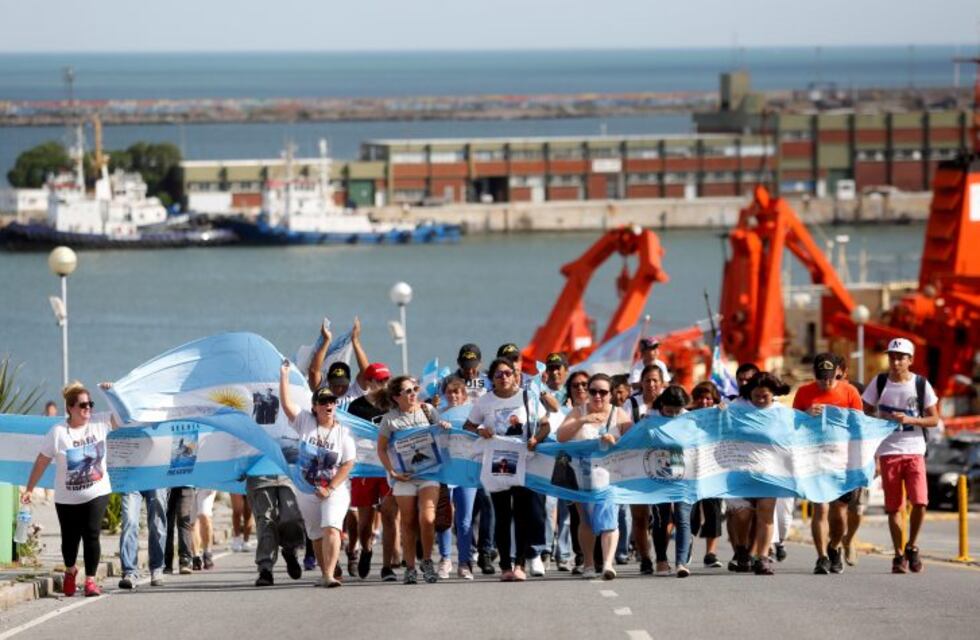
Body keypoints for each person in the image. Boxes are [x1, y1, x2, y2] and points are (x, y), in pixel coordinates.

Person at [22, 382, 117, 597]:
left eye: (90, 404)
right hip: (67, 497)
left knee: (92, 533)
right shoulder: (58, 433)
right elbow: (41, 461)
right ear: (70, 408)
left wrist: (111, 394)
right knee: (69, 540)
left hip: (98, 490)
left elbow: (125, 415)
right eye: (83, 405)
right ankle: (70, 570)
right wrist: (29, 489)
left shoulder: (100, 422)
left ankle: (91, 581)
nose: (88, 409)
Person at [464, 358, 551, 581]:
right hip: (497, 461)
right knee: (502, 515)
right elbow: (468, 425)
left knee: (523, 514)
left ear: (515, 376)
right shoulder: (485, 401)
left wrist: (536, 439)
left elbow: (545, 424)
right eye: (498, 375)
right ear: (491, 379)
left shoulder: (527, 397)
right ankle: (505, 566)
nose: (503, 378)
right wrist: (481, 429)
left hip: (524, 460)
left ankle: (520, 564)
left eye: (507, 373)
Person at [861, 338, 939, 574]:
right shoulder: (880, 382)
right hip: (889, 451)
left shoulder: (921, 384)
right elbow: (864, 413)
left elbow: (934, 419)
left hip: (914, 448)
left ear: (910, 360)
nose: (895, 361)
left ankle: (912, 546)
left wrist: (911, 420)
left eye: (900, 357)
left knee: (920, 502)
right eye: (892, 356)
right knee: (894, 507)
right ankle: (898, 555)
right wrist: (879, 422)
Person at [280, 362, 357, 588]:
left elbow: (347, 463)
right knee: (315, 533)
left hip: (334, 488)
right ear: (315, 407)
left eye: (331, 401)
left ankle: (329, 575)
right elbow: (286, 405)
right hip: (306, 488)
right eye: (323, 402)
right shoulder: (305, 421)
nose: (328, 405)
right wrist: (283, 375)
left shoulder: (344, 431)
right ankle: (325, 571)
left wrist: (330, 487)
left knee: (332, 525)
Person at [792, 352, 864, 575]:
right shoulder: (804, 393)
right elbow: (792, 426)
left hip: (842, 461)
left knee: (839, 512)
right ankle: (822, 556)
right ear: (815, 375)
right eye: (822, 377)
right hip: (815, 460)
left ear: (838, 374)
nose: (827, 382)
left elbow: (860, 428)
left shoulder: (849, 392)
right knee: (820, 509)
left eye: (831, 377)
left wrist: (860, 462)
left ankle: (835, 546)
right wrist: (804, 414)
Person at [557, 373, 631, 580]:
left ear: (611, 394)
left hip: (611, 478)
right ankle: (588, 563)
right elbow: (561, 436)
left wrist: (615, 440)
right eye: (593, 391)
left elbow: (633, 439)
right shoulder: (578, 411)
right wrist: (583, 420)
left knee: (610, 519)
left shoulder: (619, 414)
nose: (598, 396)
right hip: (582, 479)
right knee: (586, 520)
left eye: (603, 392)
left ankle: (608, 564)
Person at [377, 375, 450, 584]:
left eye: (415, 389)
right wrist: (392, 472)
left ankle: (427, 560)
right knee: (408, 522)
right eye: (408, 391)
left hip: (429, 474)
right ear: (396, 397)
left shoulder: (428, 411)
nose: (413, 394)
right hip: (404, 477)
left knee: (427, 518)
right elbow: (381, 449)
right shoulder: (389, 419)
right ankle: (410, 567)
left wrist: (443, 424)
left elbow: (442, 438)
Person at [727, 371, 791, 576]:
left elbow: (801, 429)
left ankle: (762, 558)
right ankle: (742, 550)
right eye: (756, 396)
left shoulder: (782, 413)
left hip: (770, 471)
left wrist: (811, 413)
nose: (761, 400)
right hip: (740, 471)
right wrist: (717, 412)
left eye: (765, 396)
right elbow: (714, 423)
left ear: (774, 394)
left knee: (766, 513)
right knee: (742, 516)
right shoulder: (737, 407)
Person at [347, 362, 401, 581]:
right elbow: (348, 435)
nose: (384, 384)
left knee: (389, 516)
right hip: (364, 469)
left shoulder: (394, 404)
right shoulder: (355, 407)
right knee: (365, 521)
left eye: (387, 379)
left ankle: (387, 566)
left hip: (387, 469)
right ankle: (366, 549)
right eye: (379, 380)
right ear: (368, 382)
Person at [646, 385, 694, 577]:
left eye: (677, 411)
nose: (673, 415)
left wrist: (720, 413)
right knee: (661, 518)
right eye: (669, 411)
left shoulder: (689, 418)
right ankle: (661, 560)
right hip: (658, 472)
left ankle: (681, 563)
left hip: (684, 473)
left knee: (682, 517)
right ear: (662, 404)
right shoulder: (650, 418)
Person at [626, 364, 665, 574]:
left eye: (655, 380)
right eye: (647, 380)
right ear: (641, 382)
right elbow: (621, 429)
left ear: (662, 383)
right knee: (640, 516)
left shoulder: (669, 403)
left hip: (663, 467)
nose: (651, 384)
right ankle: (645, 558)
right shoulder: (631, 404)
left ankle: (662, 555)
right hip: (636, 467)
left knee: (664, 516)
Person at [689, 381, 724, 569]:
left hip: (713, 471)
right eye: (700, 398)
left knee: (714, 512)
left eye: (708, 398)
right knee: (690, 513)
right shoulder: (686, 418)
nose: (704, 402)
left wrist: (723, 413)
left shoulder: (720, 416)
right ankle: (686, 548)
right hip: (691, 473)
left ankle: (711, 553)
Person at [192, 489, 217, 570]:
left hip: (206, 483)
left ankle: (207, 553)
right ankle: (195, 556)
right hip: (189, 482)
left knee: (204, 515)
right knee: (191, 522)